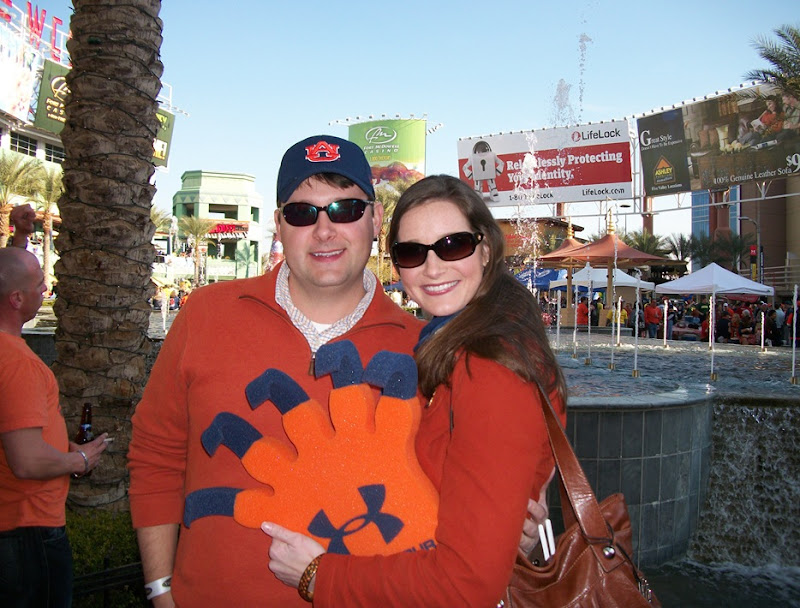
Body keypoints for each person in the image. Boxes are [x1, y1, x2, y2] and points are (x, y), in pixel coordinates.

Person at [126, 138, 548, 607]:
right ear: (279, 224)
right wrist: (160, 590)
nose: (324, 231)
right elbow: (156, 456)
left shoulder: (434, 353)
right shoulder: (206, 315)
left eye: (345, 210)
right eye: (302, 213)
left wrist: (514, 531)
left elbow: (465, 504)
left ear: (375, 219)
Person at [262, 175, 567, 606]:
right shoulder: (451, 348)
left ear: (485, 249)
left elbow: (466, 585)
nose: (433, 267)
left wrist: (319, 574)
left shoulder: (491, 370)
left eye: (453, 245)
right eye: (412, 252)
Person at [0, 247, 108, 607]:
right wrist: (79, 460)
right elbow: (27, 461)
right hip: (28, 530)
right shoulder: (18, 364)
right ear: (17, 299)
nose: (45, 289)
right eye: (39, 285)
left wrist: (22, 236)